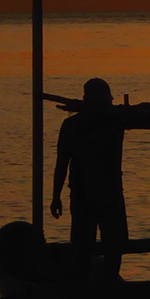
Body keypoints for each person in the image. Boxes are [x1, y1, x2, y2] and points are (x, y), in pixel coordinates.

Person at [51, 77, 128, 279]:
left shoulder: (114, 119)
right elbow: (62, 163)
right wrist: (55, 196)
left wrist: (56, 196)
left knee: (106, 245)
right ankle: (99, 284)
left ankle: (103, 284)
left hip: (100, 195)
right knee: (91, 246)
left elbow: (61, 165)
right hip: (91, 196)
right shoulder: (113, 120)